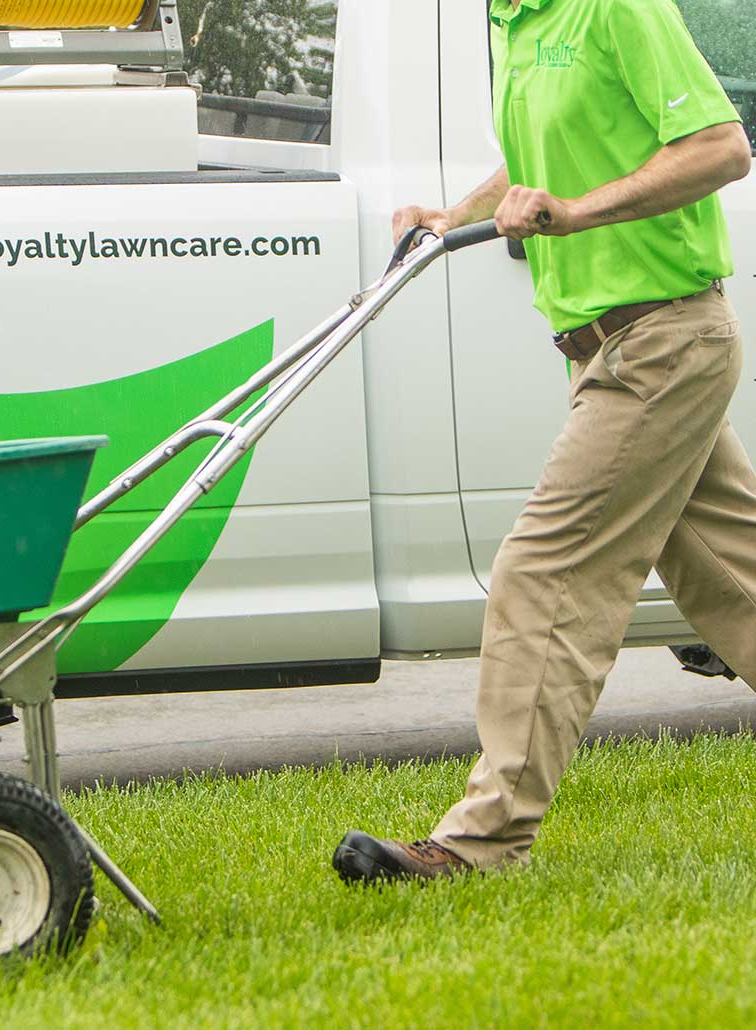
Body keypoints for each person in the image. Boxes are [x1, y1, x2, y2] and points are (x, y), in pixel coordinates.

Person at [333, 0, 753, 883]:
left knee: (544, 572)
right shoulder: (514, 24)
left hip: (664, 341)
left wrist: (575, 212)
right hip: (606, 348)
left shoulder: (617, 8)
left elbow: (722, 148)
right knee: (735, 574)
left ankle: (480, 843)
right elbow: (539, 160)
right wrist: (455, 215)